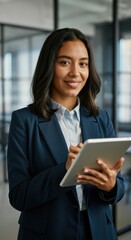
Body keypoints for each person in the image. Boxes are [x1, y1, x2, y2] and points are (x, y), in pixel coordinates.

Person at [7, 28, 125, 240]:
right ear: (49, 66)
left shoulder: (101, 118)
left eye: (83, 63)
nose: (75, 73)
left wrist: (112, 186)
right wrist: (65, 170)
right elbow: (18, 196)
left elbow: (119, 186)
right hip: (48, 233)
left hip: (98, 231)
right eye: (64, 62)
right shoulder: (24, 121)